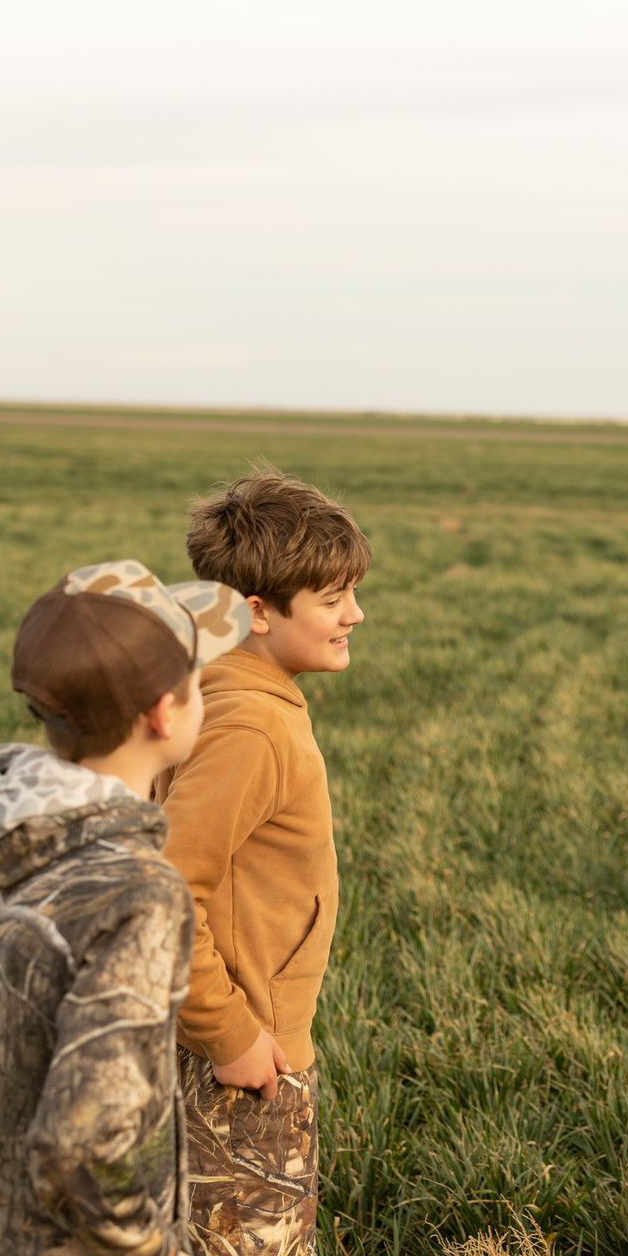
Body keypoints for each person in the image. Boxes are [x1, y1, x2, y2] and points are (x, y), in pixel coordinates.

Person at [1, 559, 250, 1255]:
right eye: (197, 681)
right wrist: (153, 1246)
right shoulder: (137, 894)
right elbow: (81, 1144)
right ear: (163, 713)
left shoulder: (16, 829)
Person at [155, 469, 370, 1255]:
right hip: (244, 1061)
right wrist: (230, 1032)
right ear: (254, 611)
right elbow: (166, 891)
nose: (355, 614)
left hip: (228, 1044)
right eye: (330, 600)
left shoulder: (226, 695)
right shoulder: (250, 727)